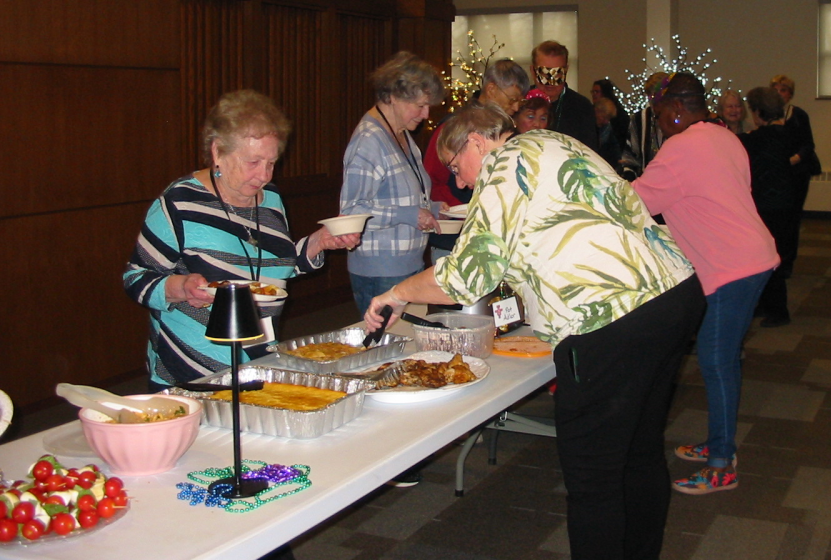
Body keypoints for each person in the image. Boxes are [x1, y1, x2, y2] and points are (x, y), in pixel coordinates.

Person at [364, 105, 703, 560]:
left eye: (454, 166)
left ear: (476, 142)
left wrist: (398, 293)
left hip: (612, 318)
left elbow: (466, 277)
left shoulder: (505, 163)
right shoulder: (553, 141)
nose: (459, 182)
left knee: (595, 478)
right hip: (671, 294)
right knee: (638, 453)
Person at [123, 90, 360, 390]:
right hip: (192, 369)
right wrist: (180, 287)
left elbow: (273, 268)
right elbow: (136, 278)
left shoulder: (270, 199)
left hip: (259, 363)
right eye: (253, 162)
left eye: (271, 162)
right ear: (218, 152)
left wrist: (319, 242)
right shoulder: (180, 202)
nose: (264, 175)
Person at [632, 72, 778, 495]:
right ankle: (719, 443)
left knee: (716, 360)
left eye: (660, 113)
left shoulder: (681, 147)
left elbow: (635, 203)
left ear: (677, 109)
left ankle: (721, 464)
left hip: (733, 267)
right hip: (750, 256)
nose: (659, 123)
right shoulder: (724, 136)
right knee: (723, 358)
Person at [340, 52, 445, 317]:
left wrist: (433, 209)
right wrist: (410, 215)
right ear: (394, 96)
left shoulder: (401, 134)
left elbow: (401, 196)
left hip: (408, 265)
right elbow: (351, 212)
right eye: (420, 105)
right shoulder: (369, 141)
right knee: (389, 343)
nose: (426, 114)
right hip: (381, 272)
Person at [424, 59, 529, 262]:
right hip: (453, 239)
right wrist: (462, 209)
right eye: (512, 99)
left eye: (520, 101)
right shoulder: (453, 129)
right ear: (491, 89)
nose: (516, 107)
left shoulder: (507, 136)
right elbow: (430, 181)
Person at [740, 87, 797, 327]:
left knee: (768, 258)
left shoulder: (758, 138)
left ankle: (778, 311)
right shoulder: (786, 134)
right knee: (773, 256)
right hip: (785, 203)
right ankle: (767, 305)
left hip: (767, 205)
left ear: (758, 112)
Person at [770, 74, 821, 264]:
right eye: (775, 90)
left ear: (790, 94)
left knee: (792, 218)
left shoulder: (799, 115)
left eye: (783, 90)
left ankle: (787, 261)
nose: (779, 94)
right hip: (775, 173)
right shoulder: (767, 116)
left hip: (797, 172)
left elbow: (808, 144)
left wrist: (794, 159)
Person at [531, 40, 598, 150]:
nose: (551, 82)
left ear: (566, 71)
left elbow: (589, 151)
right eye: (544, 73)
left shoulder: (582, 107)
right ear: (533, 72)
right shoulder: (521, 103)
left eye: (557, 74)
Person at [620, 71, 669, 181]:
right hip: (646, 181)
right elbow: (630, 156)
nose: (654, 102)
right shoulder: (639, 119)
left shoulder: (677, 118)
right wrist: (629, 177)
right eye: (651, 97)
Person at [592, 78, 630, 149]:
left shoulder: (620, 115)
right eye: (593, 92)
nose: (594, 95)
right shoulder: (590, 111)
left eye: (597, 92)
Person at [594, 97, 623, 171]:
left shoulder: (607, 128)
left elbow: (614, 147)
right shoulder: (586, 126)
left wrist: (618, 160)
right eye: (604, 117)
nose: (606, 121)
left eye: (608, 118)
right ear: (596, 111)